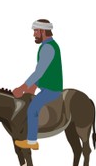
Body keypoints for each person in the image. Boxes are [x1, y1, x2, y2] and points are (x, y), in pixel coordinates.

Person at [12, 19, 63, 150]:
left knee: (33, 108)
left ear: (43, 31)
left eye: (36, 31)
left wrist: (22, 88)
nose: (34, 34)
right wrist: (32, 87)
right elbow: (43, 72)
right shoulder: (46, 46)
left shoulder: (48, 47)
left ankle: (32, 141)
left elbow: (39, 72)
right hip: (45, 86)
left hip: (52, 89)